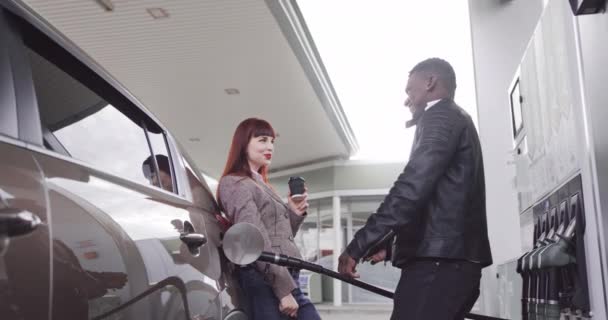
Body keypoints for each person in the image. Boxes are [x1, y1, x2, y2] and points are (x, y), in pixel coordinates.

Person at [338, 58, 493, 320]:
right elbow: (433, 199)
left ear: (430, 82)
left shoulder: (440, 116)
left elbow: (411, 188)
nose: (406, 100)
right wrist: (390, 244)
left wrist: (358, 245)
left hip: (439, 267)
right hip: (451, 265)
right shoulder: (454, 118)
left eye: (410, 90)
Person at [217, 118, 320, 320]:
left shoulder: (259, 183)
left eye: (272, 141)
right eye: (263, 140)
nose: (270, 147)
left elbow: (278, 237)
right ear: (243, 143)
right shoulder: (235, 183)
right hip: (266, 277)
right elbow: (254, 238)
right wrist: (283, 290)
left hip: (284, 274)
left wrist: (293, 213)